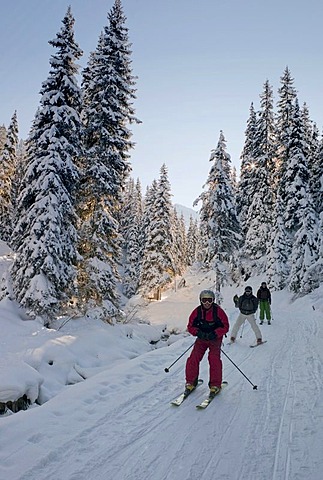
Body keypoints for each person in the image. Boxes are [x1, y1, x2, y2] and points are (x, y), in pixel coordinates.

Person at [185, 289, 229, 396]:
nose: (207, 303)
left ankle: (215, 384)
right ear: (200, 300)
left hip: (215, 339)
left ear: (213, 300)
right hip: (202, 338)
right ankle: (191, 382)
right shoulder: (197, 312)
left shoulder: (218, 311)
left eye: (209, 300)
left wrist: (215, 333)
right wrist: (198, 333)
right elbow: (190, 326)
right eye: (204, 300)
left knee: (214, 359)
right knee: (193, 358)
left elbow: (226, 326)